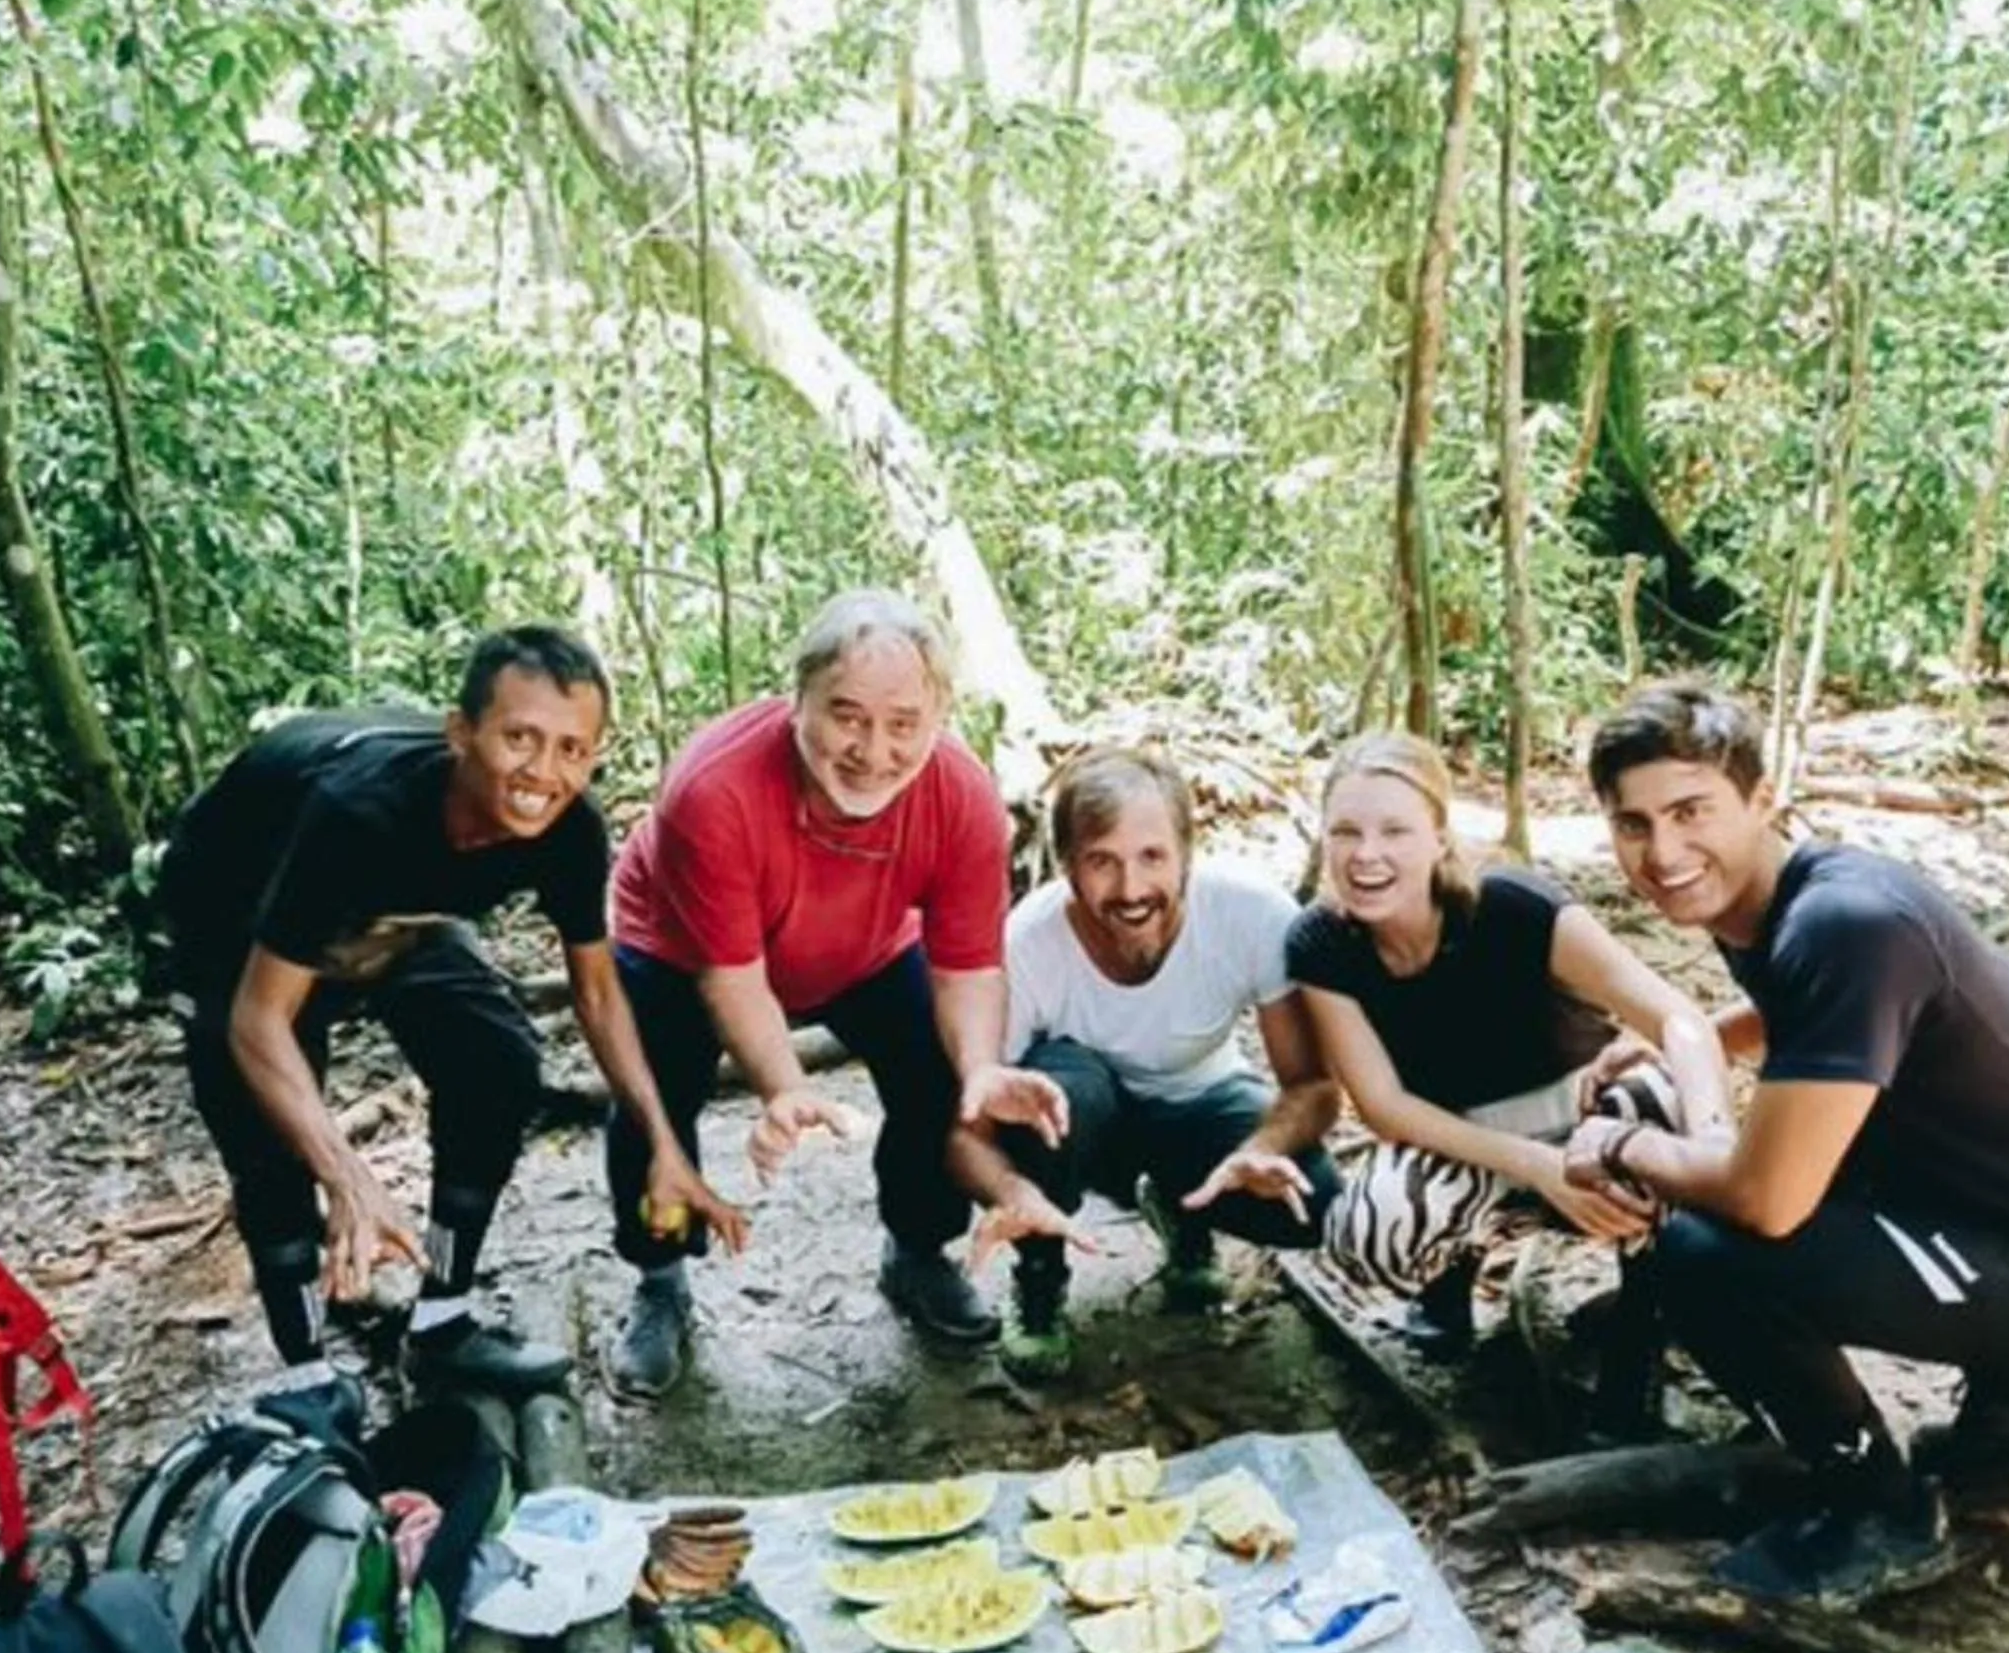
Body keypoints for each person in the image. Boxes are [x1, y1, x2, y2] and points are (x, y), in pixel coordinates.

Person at [1569, 682, 2009, 1607]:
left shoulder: (1844, 926)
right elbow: (1806, 1011)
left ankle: (1877, 1509)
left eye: (1690, 812)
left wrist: (1620, 1145)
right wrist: (1703, 1040)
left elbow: (1766, 1199)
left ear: (1762, 801)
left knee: (1706, 1253)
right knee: (1840, 1137)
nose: (1664, 852)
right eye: (1632, 824)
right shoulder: (1788, 896)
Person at [160, 626, 743, 1389]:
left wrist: (663, 1142)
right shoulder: (356, 813)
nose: (543, 773)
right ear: (461, 733)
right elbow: (256, 1019)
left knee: (497, 1065)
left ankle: (440, 1323)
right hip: (237, 915)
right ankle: (308, 1378)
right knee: (271, 1143)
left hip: (404, 915)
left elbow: (597, 992)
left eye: (572, 749)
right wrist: (347, 1176)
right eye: (519, 739)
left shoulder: (567, 825)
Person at [600, 588, 1062, 1398]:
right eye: (845, 715)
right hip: (679, 949)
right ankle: (660, 1277)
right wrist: (785, 1086)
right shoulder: (714, 790)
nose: (872, 750)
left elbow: (967, 964)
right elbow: (731, 973)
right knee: (652, 1101)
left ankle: (916, 1250)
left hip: (865, 943)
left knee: (942, 1076)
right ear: (797, 699)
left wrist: (982, 1068)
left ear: (938, 714)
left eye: (902, 723)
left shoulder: (961, 798)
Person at [1289, 731, 1735, 1379]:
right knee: (1370, 1226)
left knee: (1661, 1098)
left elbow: (1678, 1019)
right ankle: (1446, 1284)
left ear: (1439, 836)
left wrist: (1713, 1145)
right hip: (1463, 1139)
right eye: (1345, 833)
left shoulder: (1511, 907)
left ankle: (1641, 1318)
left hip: (1584, 1112)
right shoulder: (1320, 943)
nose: (1367, 855)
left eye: (1395, 831)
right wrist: (1539, 1168)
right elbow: (1384, 1107)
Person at [944, 747, 1343, 1378]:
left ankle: (1187, 1211)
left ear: (1187, 852)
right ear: (1068, 865)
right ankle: (1040, 1280)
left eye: (1152, 857)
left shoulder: (1253, 914)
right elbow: (970, 1130)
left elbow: (1315, 1086)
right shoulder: (1028, 940)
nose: (1131, 890)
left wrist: (1263, 1147)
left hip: (1201, 1105)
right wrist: (1011, 1193)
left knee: (1314, 1200)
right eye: (1102, 861)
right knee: (1054, 1090)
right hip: (1088, 1123)